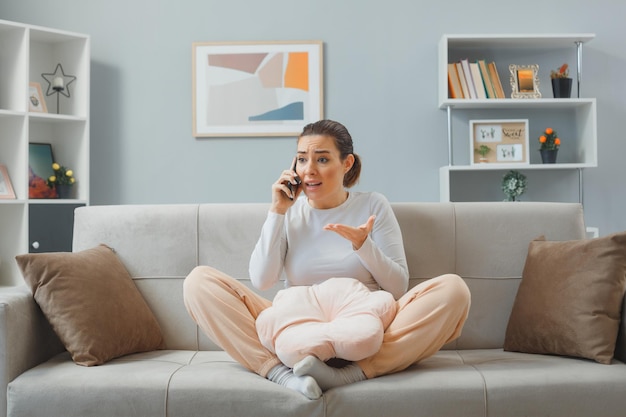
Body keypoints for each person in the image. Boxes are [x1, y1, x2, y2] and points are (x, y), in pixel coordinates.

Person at [183, 119, 471, 400]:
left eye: (322, 160)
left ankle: (351, 373)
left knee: (453, 290)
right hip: (294, 330)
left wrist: (363, 245)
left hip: (368, 329)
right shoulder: (289, 212)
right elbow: (262, 280)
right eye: (301, 159)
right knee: (198, 283)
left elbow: (396, 288)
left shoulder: (373, 205)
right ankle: (283, 375)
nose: (309, 170)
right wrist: (277, 212)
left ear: (346, 164)